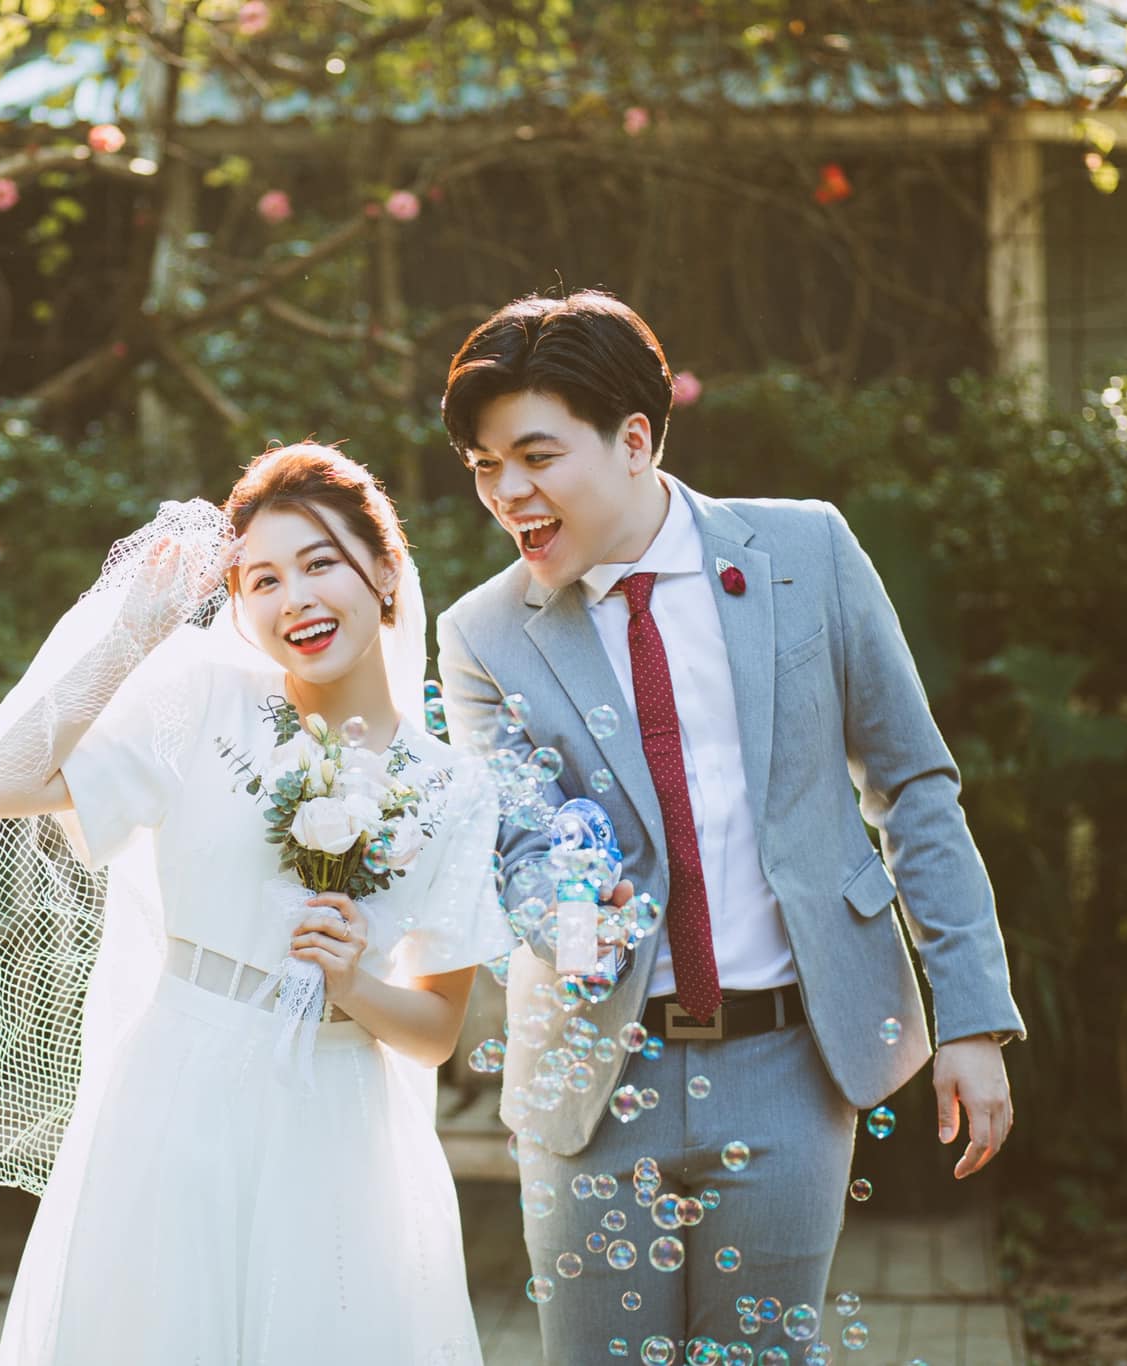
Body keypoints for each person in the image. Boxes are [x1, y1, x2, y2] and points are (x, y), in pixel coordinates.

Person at [433, 292, 1024, 1362]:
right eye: (484, 466)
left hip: (791, 1065)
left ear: (633, 440)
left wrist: (971, 1019)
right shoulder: (482, 634)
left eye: (535, 456)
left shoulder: (808, 551)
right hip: (591, 1078)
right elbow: (515, 842)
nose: (507, 492)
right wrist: (571, 921)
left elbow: (913, 786)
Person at [0, 442, 515, 1365]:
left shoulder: (453, 787)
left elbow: (436, 1032)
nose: (296, 600)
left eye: (320, 564)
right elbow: (0, 783)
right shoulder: (201, 698)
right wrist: (135, 631)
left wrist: (353, 986)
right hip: (177, 1090)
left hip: (338, 1121)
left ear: (385, 570)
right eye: (263, 581)